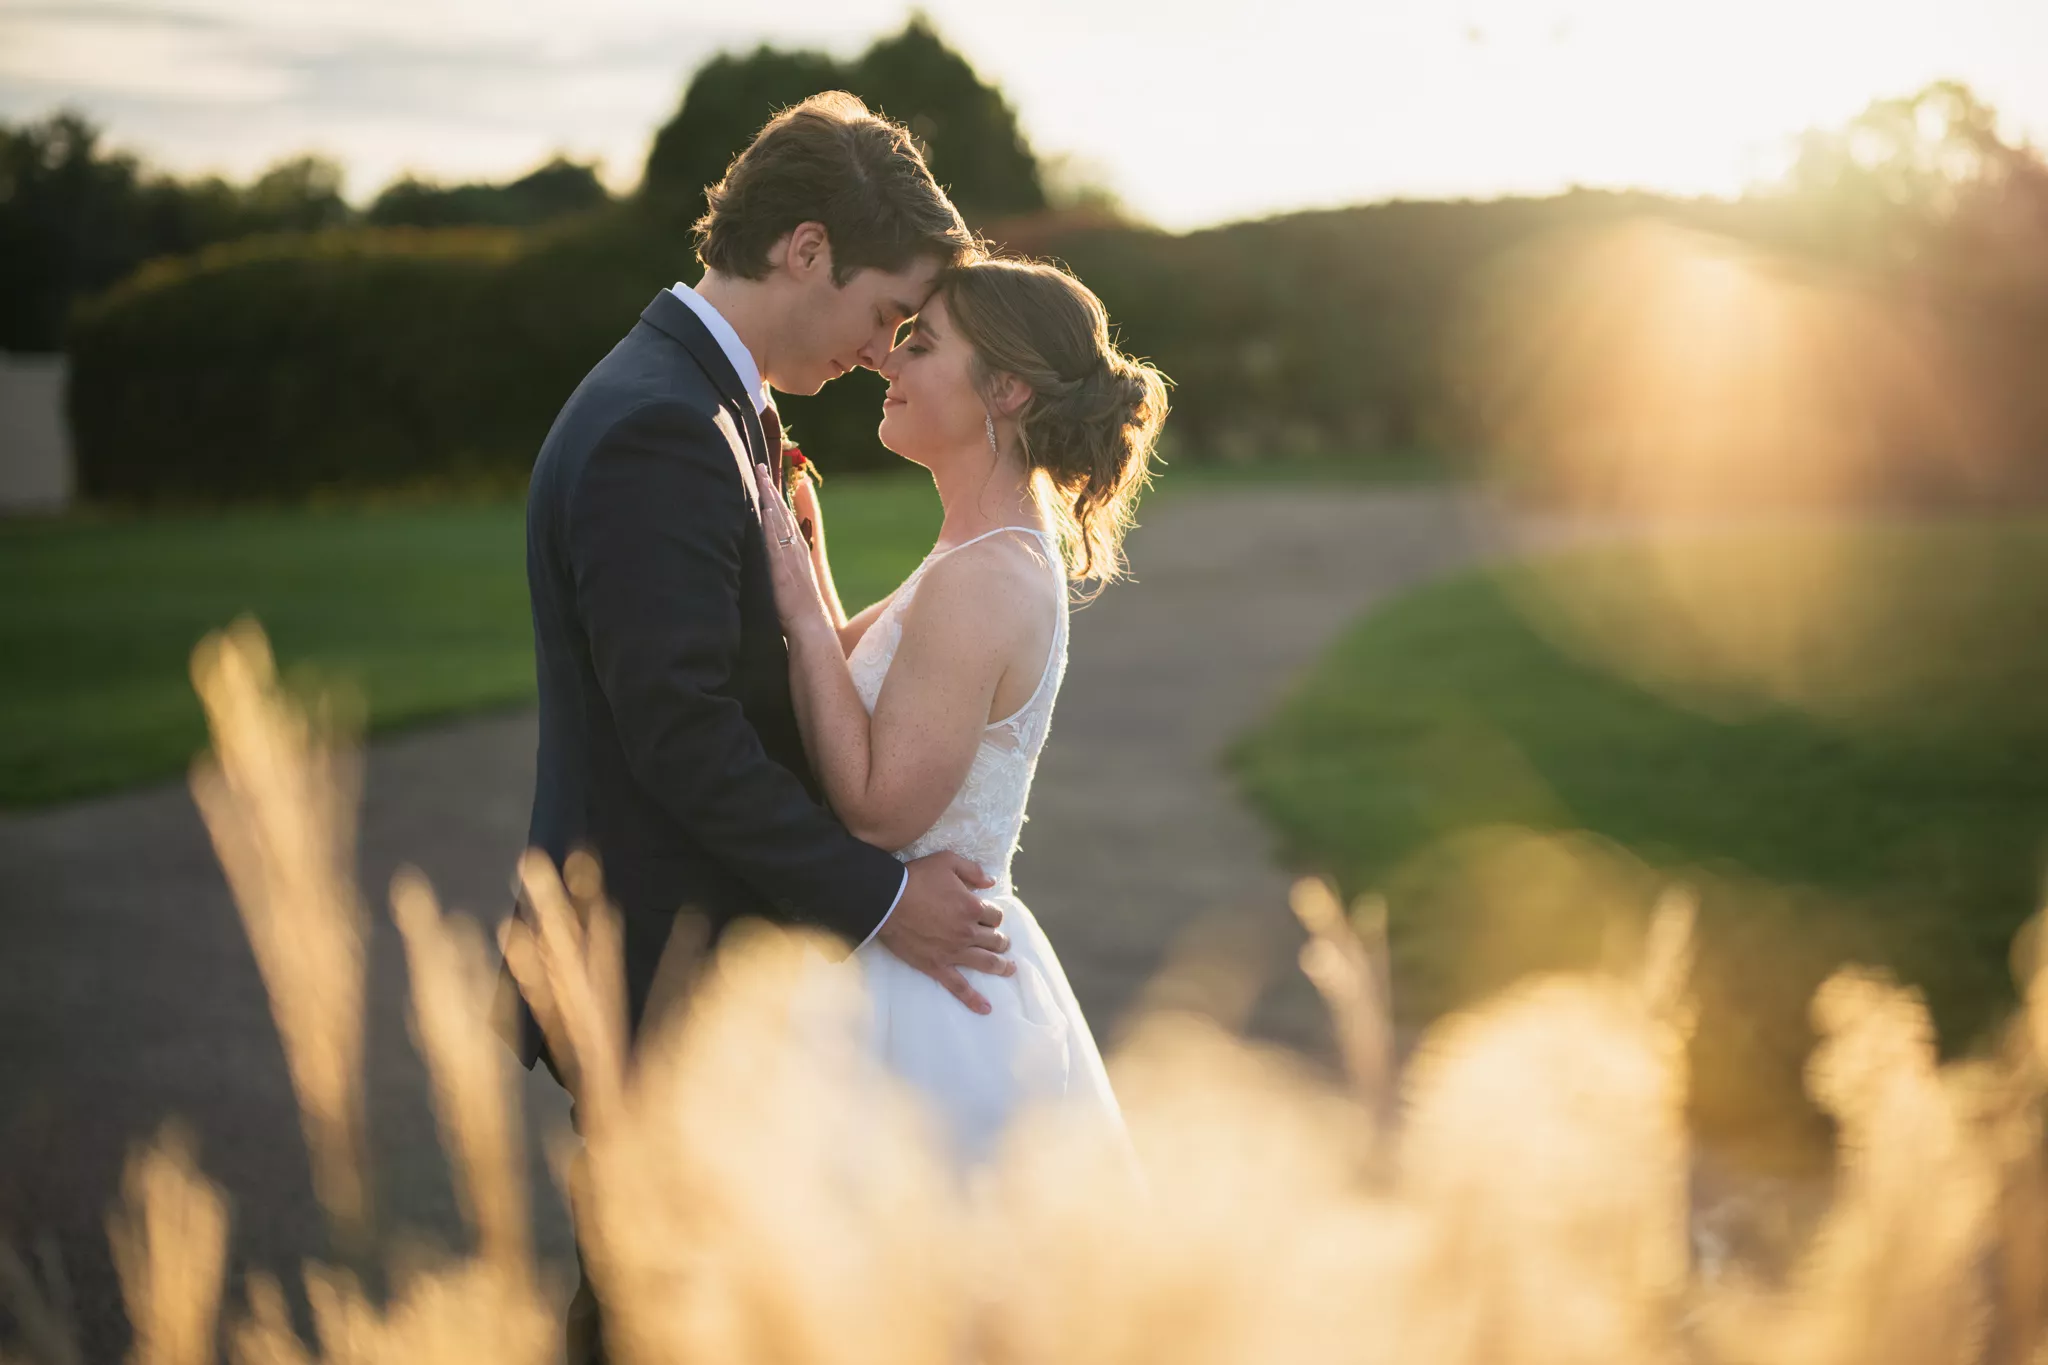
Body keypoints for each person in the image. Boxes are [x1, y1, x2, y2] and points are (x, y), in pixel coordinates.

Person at [500, 91, 1008, 1364]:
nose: (883, 351)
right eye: (884, 312)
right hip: (662, 966)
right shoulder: (660, 424)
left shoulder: (702, 402)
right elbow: (683, 737)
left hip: (703, 955)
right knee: (654, 1320)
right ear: (804, 248)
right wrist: (881, 900)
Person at [754, 255, 1168, 1162]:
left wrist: (799, 610)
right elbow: (854, 676)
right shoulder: (975, 552)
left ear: (1006, 389)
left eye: (923, 344)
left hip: (928, 1002)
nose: (888, 361)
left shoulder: (984, 578)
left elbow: (878, 808)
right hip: (907, 962)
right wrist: (808, 556)